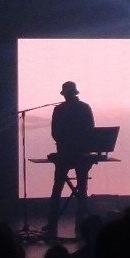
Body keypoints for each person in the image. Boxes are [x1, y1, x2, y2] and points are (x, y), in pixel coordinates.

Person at [46, 81, 95, 240]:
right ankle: (80, 224)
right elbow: (90, 130)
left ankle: (52, 224)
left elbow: (55, 133)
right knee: (82, 189)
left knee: (57, 189)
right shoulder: (84, 108)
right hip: (80, 154)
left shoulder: (59, 109)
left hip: (64, 153)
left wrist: (66, 144)